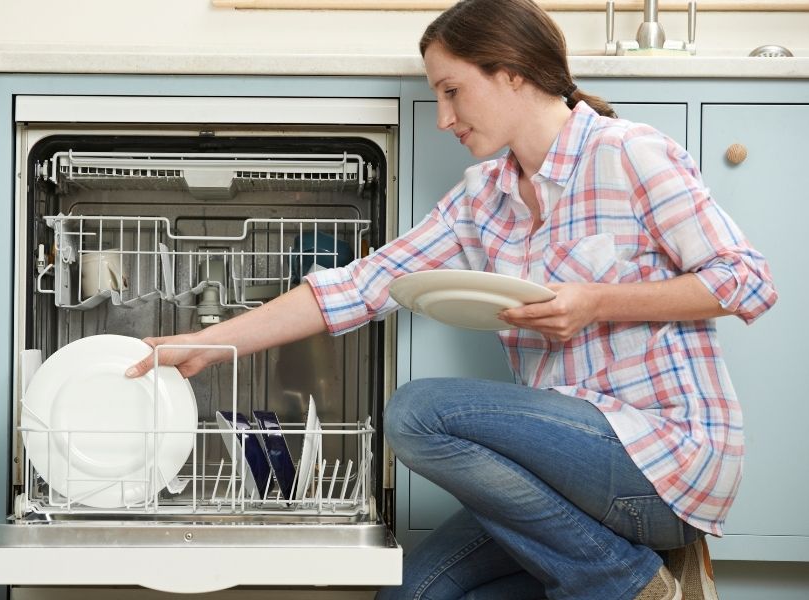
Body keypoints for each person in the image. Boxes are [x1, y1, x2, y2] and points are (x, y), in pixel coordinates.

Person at [127, 0, 777, 597]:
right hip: (560, 477)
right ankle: (619, 574)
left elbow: (746, 280)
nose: (443, 118)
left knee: (418, 413)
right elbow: (359, 286)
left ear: (514, 73)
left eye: (452, 91)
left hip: (664, 463)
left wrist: (595, 302)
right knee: (411, 593)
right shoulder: (481, 197)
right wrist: (207, 345)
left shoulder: (628, 154)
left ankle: (629, 582)